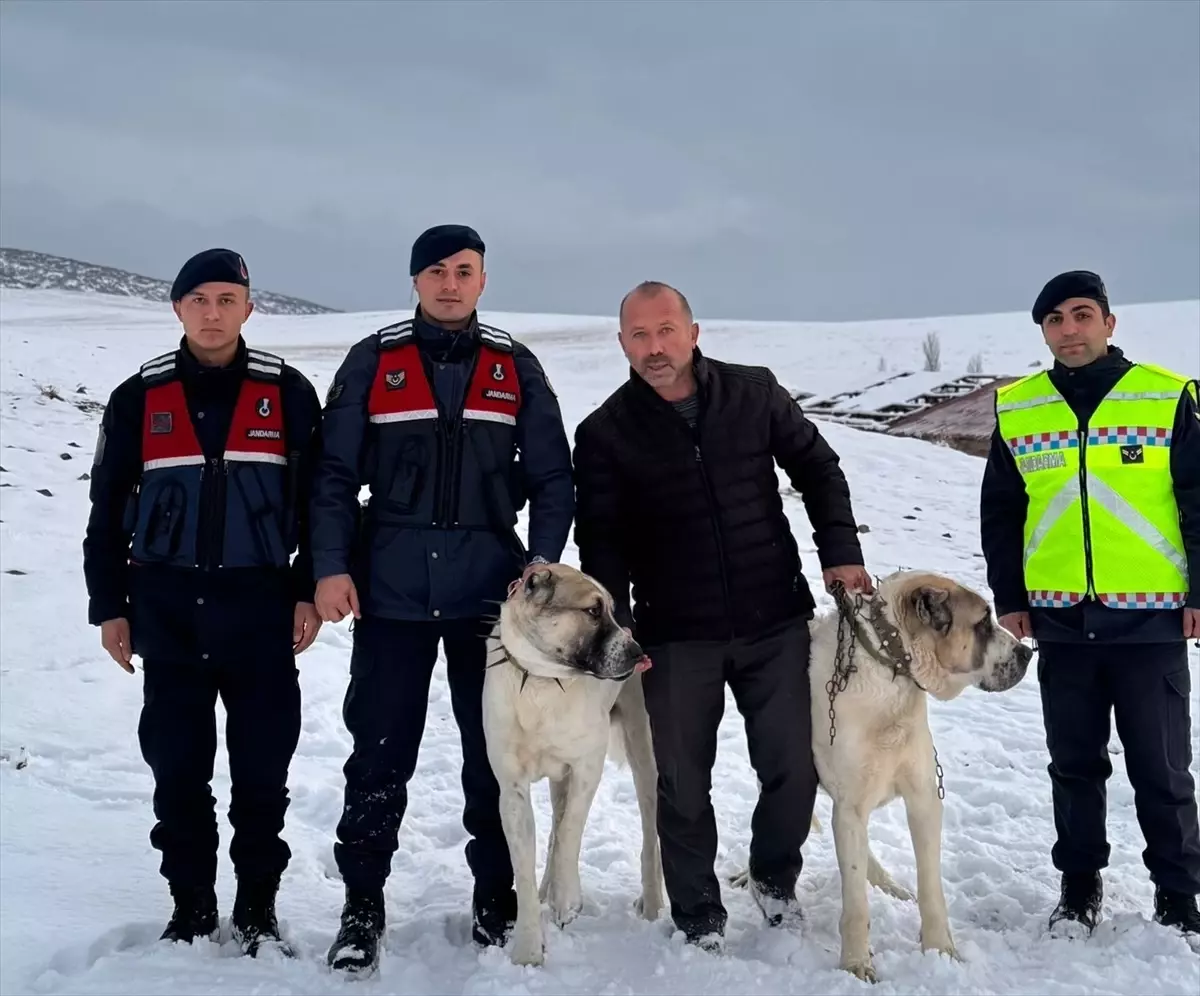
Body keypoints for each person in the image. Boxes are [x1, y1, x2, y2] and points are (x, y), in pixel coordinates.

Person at [571, 279, 872, 949]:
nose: (655, 347)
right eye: (640, 335)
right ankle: (698, 912)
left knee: (793, 766)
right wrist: (617, 632)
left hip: (775, 619)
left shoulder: (753, 393)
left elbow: (819, 469)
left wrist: (842, 554)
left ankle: (773, 877)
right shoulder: (603, 434)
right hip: (676, 635)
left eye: (666, 330)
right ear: (622, 343)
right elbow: (603, 539)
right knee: (680, 778)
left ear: (693, 331)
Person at [311, 224, 575, 974]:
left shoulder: (515, 368)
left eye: (465, 271)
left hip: (486, 602)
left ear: (483, 281)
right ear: (416, 281)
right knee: (378, 755)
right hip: (389, 592)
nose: (450, 283)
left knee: (491, 756)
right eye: (436, 271)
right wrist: (330, 565)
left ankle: (497, 897)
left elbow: (555, 478)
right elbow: (333, 475)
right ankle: (362, 903)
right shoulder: (375, 361)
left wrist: (541, 563)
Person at [81, 248, 324, 955]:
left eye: (227, 299)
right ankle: (190, 907)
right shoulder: (139, 397)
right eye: (199, 300)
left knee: (262, 774)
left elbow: (320, 509)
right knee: (178, 772)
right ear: (177, 308)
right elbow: (104, 512)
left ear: (249, 307)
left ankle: (255, 908)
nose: (213, 313)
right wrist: (110, 607)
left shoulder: (289, 392)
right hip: (168, 613)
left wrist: (308, 589)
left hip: (261, 611)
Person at [980, 269, 1200, 937]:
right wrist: (1011, 598)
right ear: (1043, 332)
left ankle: (1179, 893)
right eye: (1055, 320)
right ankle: (1079, 889)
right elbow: (1002, 511)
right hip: (1062, 619)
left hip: (1150, 618)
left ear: (1109, 322)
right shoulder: (1019, 407)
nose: (1069, 330)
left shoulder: (1165, 397)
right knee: (1073, 764)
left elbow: (1196, 499)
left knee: (1162, 768)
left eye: (1082, 315)